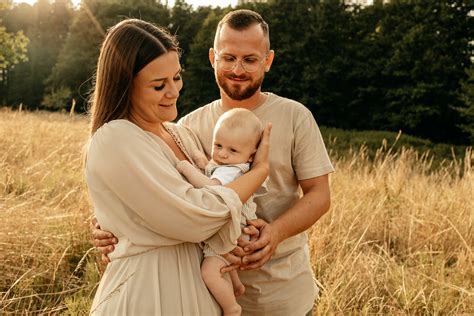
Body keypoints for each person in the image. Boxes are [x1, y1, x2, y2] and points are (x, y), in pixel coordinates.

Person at [93, 9, 334, 316]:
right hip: (208, 294)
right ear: (212, 58)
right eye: (229, 57)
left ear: (267, 60)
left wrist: (275, 233)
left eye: (250, 59)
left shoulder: (295, 116)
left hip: (282, 294)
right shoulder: (189, 126)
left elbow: (320, 195)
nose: (238, 69)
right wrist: (111, 223)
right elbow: (160, 194)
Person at [85, 18, 271, 315]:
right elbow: (197, 218)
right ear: (125, 87)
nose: (174, 91)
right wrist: (258, 173)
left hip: (199, 294)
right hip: (148, 295)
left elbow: (210, 208)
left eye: (177, 77)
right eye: (159, 85)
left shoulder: (179, 133)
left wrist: (237, 234)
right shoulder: (116, 138)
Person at [176, 108, 266, 316]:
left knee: (209, 271)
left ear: (251, 155)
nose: (223, 154)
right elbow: (212, 169)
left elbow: (211, 187)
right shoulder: (231, 164)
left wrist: (186, 168)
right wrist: (201, 160)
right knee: (223, 264)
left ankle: (231, 308)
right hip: (237, 226)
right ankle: (236, 286)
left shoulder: (232, 170)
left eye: (233, 150)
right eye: (218, 145)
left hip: (233, 230)